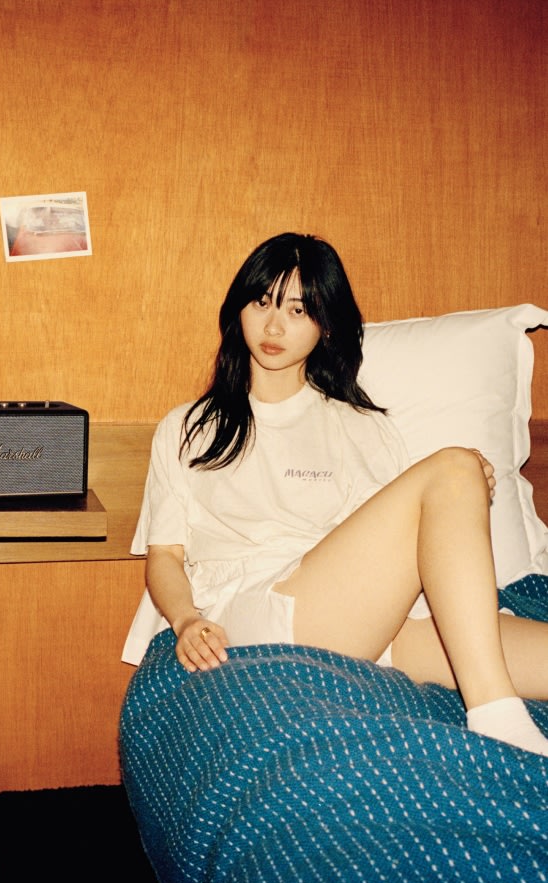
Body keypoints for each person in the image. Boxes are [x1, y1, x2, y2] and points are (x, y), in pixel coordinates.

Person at [122, 232, 548, 757]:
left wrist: (455, 494)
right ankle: (493, 713)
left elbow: (392, 546)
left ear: (325, 326)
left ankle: (493, 703)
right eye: (263, 302)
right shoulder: (189, 427)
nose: (274, 326)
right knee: (454, 467)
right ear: (239, 309)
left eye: (299, 310)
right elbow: (165, 555)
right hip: (259, 611)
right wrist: (186, 620)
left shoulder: (361, 426)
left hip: (365, 624)